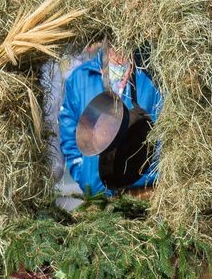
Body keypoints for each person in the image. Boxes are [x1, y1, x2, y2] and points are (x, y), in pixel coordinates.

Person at [58, 46, 162, 196]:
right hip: (97, 196)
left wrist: (151, 174)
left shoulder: (152, 74)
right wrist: (84, 175)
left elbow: (166, 129)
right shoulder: (81, 77)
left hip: (145, 192)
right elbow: (69, 135)